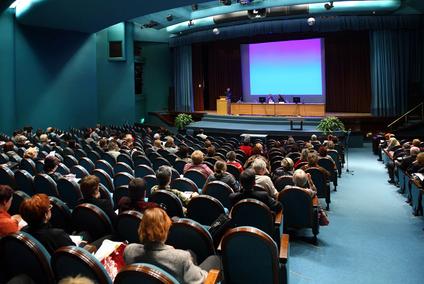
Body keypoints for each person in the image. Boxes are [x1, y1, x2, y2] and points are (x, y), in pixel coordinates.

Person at [124, 207, 221, 283]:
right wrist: (204, 274)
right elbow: (201, 281)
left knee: (191, 254)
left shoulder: (129, 250)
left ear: (141, 228)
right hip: (190, 274)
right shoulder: (181, 258)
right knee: (215, 259)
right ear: (165, 230)